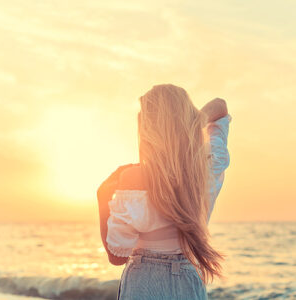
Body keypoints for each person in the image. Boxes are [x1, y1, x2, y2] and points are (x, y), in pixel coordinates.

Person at [97, 84, 232, 300]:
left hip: (145, 281)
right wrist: (192, 122)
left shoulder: (134, 177)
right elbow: (221, 107)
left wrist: (102, 198)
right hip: (189, 279)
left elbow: (117, 256)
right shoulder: (209, 165)